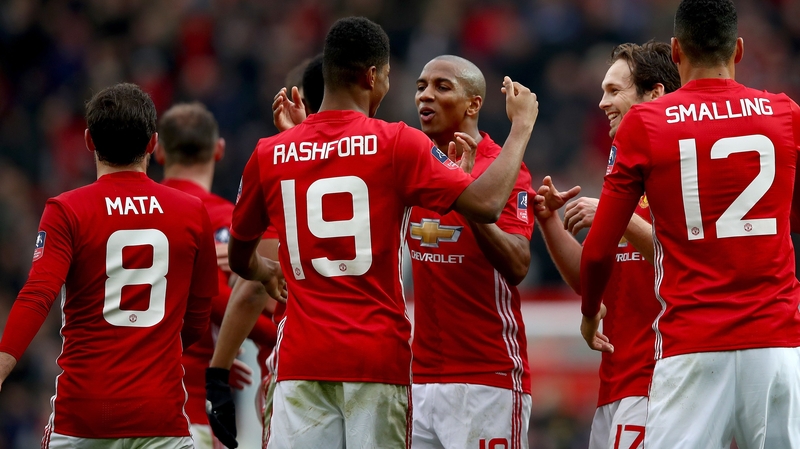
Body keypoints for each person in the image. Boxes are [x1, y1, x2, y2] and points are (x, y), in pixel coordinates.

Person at [206, 16, 539, 449]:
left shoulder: (270, 152)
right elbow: (487, 203)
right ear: (372, 76)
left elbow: (239, 260)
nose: (417, 95)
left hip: (301, 358)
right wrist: (523, 127)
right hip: (378, 356)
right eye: (399, 80)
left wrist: (263, 269)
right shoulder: (398, 144)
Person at [580, 0, 800, 447]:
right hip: (775, 344)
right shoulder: (785, 114)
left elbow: (599, 247)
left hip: (692, 346)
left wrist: (589, 315)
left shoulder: (645, 124)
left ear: (676, 51)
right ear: (738, 50)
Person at [0, 83, 219, 448]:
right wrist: (150, 350)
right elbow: (198, 320)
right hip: (161, 414)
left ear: (89, 141)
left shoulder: (67, 210)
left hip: (83, 414)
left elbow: (38, 294)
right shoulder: (192, 213)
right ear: (153, 143)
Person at [532, 42, 680, 449]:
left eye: (615, 91)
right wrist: (549, 223)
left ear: (654, 94)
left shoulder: (682, 172)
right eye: (602, 91)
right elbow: (592, 282)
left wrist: (616, 218)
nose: (602, 103)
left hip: (660, 383)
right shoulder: (626, 181)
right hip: (614, 386)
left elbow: (684, 260)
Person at [407, 55, 535, 449]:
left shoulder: (504, 168)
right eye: (421, 86)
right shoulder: (411, 166)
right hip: (417, 379)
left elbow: (517, 263)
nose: (426, 96)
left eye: (442, 87)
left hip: (488, 377)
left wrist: (463, 195)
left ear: (473, 104)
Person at [154, 102, 279, 449]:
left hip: (121, 398)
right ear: (219, 149)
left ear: (158, 151)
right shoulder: (230, 223)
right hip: (192, 408)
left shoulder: (133, 214)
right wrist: (225, 353)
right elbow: (256, 313)